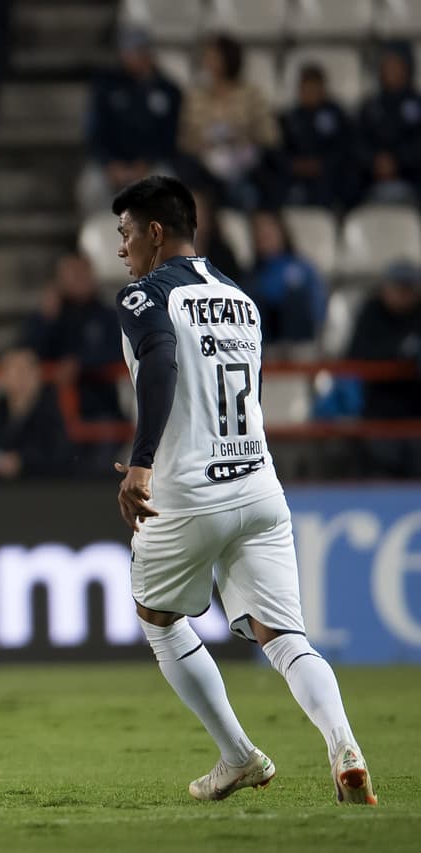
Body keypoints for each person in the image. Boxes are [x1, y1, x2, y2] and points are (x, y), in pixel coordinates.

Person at [110, 175, 375, 805]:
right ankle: (344, 746)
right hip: (258, 485)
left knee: (159, 618)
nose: (121, 250)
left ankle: (238, 755)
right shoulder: (241, 297)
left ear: (154, 232)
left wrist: (142, 462)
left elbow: (162, 362)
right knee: (285, 638)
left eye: (125, 235)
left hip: (187, 493)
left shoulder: (145, 296)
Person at [78, 26, 181, 212]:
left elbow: (170, 137)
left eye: (139, 50)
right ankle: (102, 238)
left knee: (168, 187)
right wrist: (109, 164)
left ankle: (158, 240)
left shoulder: (169, 90)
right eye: (129, 51)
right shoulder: (107, 87)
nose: (134, 56)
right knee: (92, 188)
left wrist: (147, 162)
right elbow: (94, 133)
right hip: (112, 165)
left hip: (151, 164)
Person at [177, 34, 279, 209]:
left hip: (244, 164)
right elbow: (185, 138)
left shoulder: (251, 94)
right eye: (206, 56)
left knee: (258, 182)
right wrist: (203, 144)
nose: (207, 61)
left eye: (212, 56)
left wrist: (242, 137)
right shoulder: (196, 96)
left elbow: (270, 135)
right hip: (204, 167)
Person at [20, 251, 123, 423]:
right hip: (48, 409)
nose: (80, 278)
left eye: (84, 272)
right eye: (72, 273)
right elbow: (26, 354)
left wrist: (80, 364)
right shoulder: (47, 317)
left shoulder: (107, 316)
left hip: (99, 406)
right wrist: (46, 321)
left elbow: (118, 351)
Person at [346, 260, 421, 478]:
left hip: (415, 414)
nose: (403, 294)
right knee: (380, 468)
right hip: (379, 413)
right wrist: (399, 352)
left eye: (409, 288)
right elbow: (355, 355)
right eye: (398, 287)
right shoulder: (371, 312)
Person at [0, 349, 70, 479]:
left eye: (27, 369)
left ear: (37, 375)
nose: (21, 377)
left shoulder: (51, 411)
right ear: (3, 376)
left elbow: (59, 456)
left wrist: (22, 462)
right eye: (15, 370)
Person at [280, 64, 359, 211]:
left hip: (330, 179)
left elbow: (344, 148)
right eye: (306, 88)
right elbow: (282, 151)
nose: (310, 93)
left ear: (323, 89)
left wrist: (323, 164)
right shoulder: (290, 118)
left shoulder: (336, 115)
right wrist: (295, 165)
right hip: (297, 178)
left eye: (314, 88)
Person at [241, 210, 325, 347]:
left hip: (300, 345)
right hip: (263, 345)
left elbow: (317, 306)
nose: (265, 236)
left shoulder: (303, 267)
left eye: (269, 230)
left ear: (282, 232)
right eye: (260, 232)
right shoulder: (250, 275)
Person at [358, 42, 421, 204]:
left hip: (412, 180)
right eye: (388, 65)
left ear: (408, 68)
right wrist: (375, 161)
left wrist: (397, 161)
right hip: (372, 180)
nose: (392, 71)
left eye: (397, 65)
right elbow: (359, 142)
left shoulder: (417, 104)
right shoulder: (369, 106)